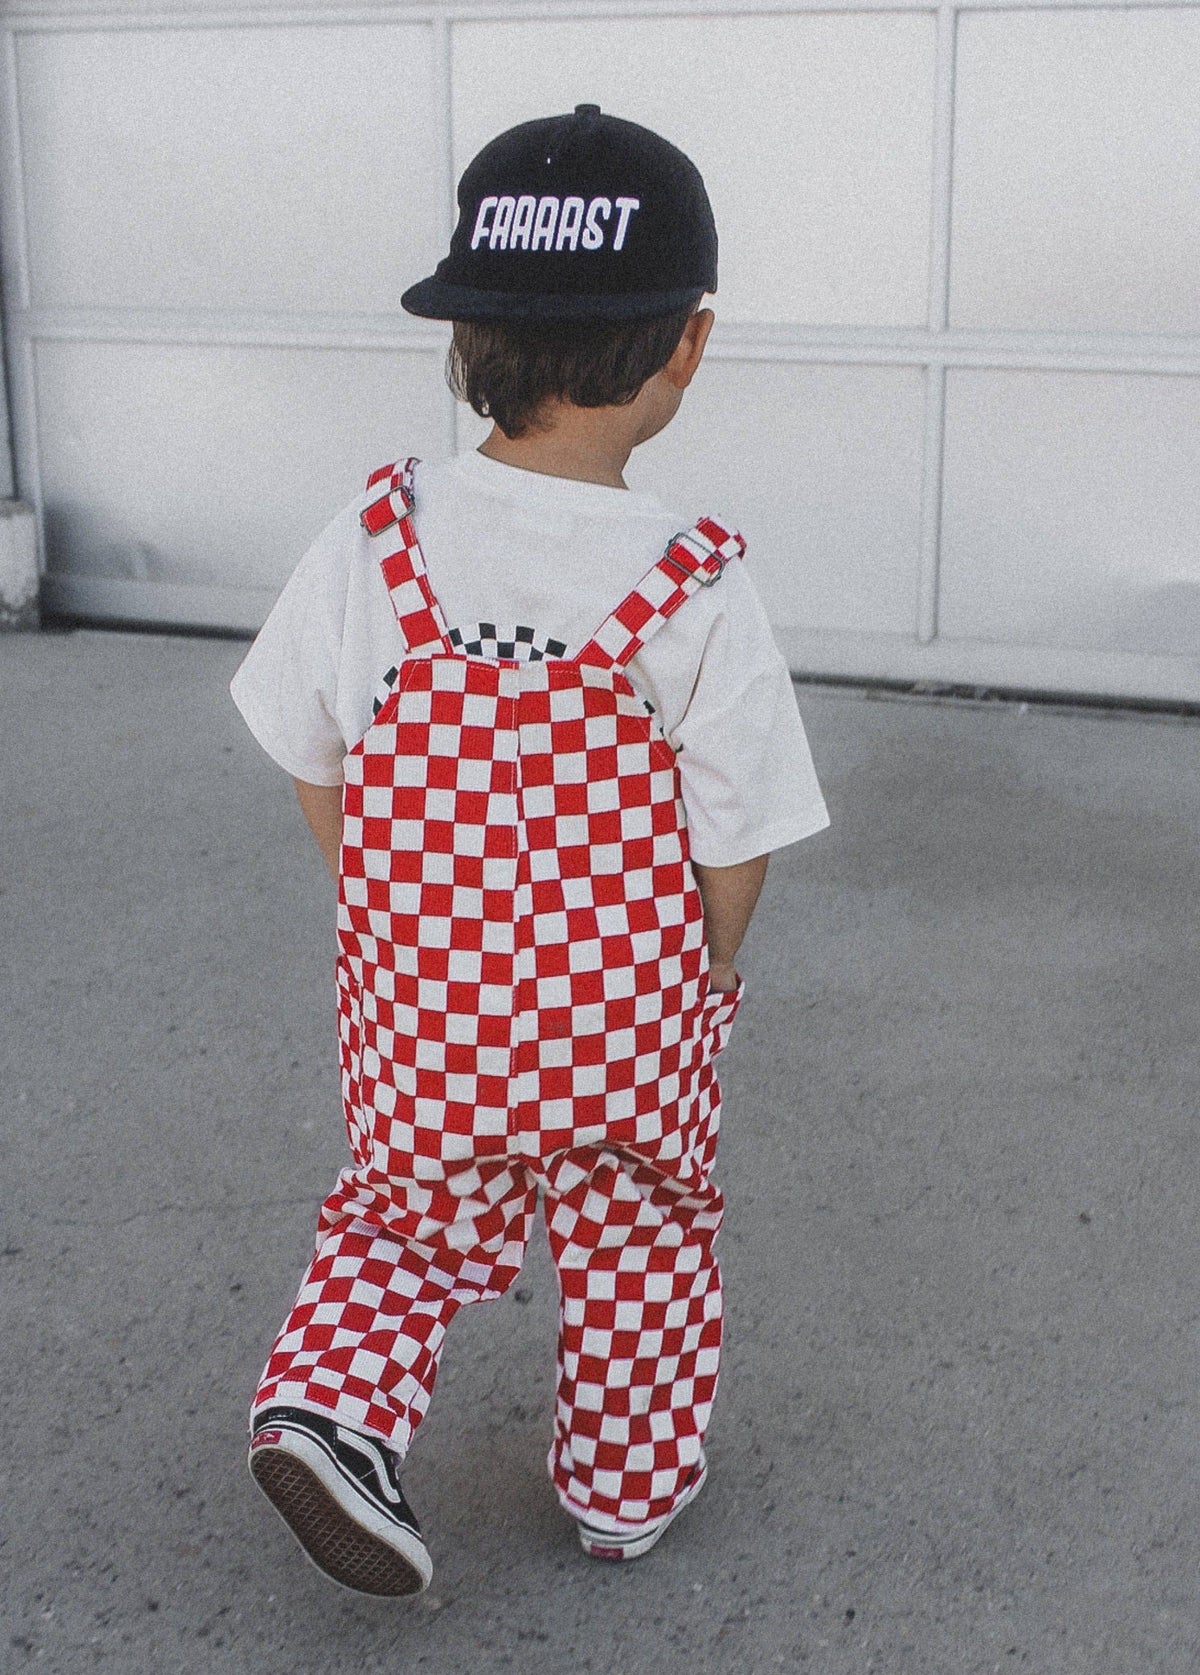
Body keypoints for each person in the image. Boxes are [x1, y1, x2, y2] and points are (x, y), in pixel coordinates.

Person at [230, 104, 829, 1597]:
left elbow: (309, 745)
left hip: (427, 999)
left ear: (464, 337)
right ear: (688, 345)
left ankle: (332, 1409)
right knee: (640, 1240)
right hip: (624, 1017)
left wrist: (385, 908)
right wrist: (702, 980)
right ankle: (624, 1496)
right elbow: (738, 837)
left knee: (406, 1214)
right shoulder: (691, 582)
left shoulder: (373, 537)